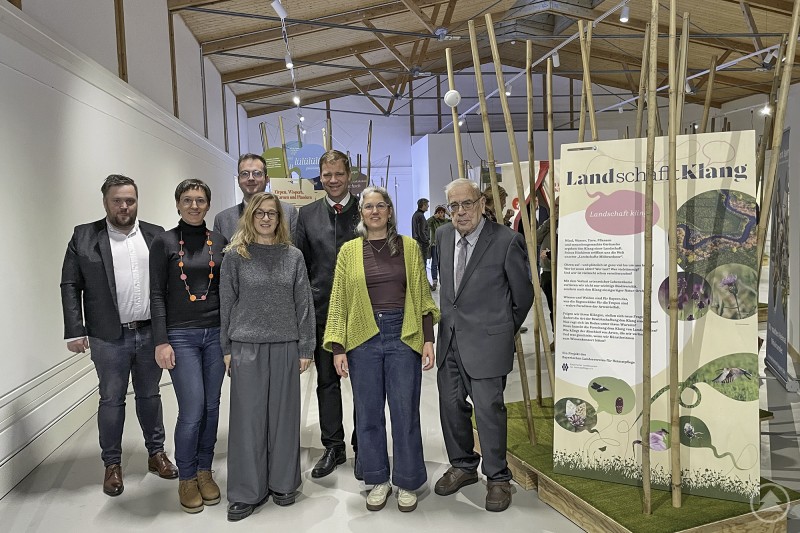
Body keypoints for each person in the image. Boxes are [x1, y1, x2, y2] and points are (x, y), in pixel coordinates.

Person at [60, 174, 178, 497]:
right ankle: (112, 465)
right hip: (107, 337)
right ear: (106, 202)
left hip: (149, 334)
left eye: (130, 200)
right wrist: (75, 329)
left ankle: (156, 454)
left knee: (151, 396)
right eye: (117, 200)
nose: (124, 206)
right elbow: (70, 284)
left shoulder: (156, 235)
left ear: (137, 201)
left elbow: (169, 286)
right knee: (111, 399)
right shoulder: (84, 237)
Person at [324, 187, 439, 513]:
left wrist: (427, 339)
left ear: (389, 211)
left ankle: (406, 481)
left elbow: (422, 297)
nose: (374, 212)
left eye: (380, 206)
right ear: (362, 213)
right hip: (363, 338)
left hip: (404, 335)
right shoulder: (349, 252)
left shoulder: (410, 247)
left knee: (405, 412)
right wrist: (338, 347)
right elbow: (340, 302)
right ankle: (377, 479)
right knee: (369, 413)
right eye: (368, 207)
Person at [433, 178, 533, 512]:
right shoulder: (443, 236)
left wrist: (502, 331)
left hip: (488, 344)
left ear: (481, 203)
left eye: (466, 204)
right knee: (450, 406)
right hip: (450, 340)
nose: (460, 212)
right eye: (453, 206)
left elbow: (523, 296)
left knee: (489, 412)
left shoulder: (506, 241)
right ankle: (463, 466)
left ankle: (498, 478)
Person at [220, 192, 315, 521]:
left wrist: (306, 347)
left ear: (280, 219)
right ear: (249, 216)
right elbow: (226, 306)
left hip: (286, 345)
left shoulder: (294, 257)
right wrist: (227, 349)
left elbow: (304, 304)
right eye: (259, 213)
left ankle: (283, 482)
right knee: (247, 422)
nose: (265, 218)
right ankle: (246, 491)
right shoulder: (235, 256)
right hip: (246, 346)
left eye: (272, 213)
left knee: (284, 419)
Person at [150, 179, 227, 514]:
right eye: (187, 200)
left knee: (212, 407)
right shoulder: (163, 241)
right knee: (193, 408)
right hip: (181, 336)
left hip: (215, 333)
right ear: (177, 204)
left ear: (208, 205)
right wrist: (161, 340)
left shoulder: (220, 242)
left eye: (200, 200)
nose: (194, 205)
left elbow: (228, 292)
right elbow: (155, 294)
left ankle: (205, 470)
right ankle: (186, 475)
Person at [294, 149, 361, 479]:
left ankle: (364, 445)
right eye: (327, 175)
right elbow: (300, 268)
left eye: (339, 174)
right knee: (326, 383)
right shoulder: (305, 216)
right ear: (320, 177)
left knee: (365, 384)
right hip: (321, 312)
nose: (333, 180)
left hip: (363, 314)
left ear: (349, 175)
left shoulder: (369, 209)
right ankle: (333, 447)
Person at [213, 153, 298, 242]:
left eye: (257, 173)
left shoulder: (289, 213)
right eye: (245, 174)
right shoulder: (222, 220)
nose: (250, 178)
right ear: (238, 180)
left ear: (267, 179)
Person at [536, 196, 558, 349]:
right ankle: (556, 337)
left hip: (561, 272)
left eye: (559, 206)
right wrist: (550, 222)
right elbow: (536, 238)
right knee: (552, 308)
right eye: (555, 205)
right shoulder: (549, 223)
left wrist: (550, 254)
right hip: (547, 272)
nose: (556, 209)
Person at [426, 205, 449, 291]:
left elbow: (455, 222)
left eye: (442, 212)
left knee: (444, 264)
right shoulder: (433, 221)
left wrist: (448, 213)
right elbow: (426, 223)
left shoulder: (447, 221)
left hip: (444, 245)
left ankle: (444, 282)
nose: (440, 214)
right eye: (438, 212)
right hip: (434, 245)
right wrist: (433, 217)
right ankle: (435, 282)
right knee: (434, 263)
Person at [411, 198, 430, 270]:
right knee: (422, 264)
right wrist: (426, 241)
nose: (428, 206)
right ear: (423, 205)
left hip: (418, 242)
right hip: (422, 243)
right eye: (427, 205)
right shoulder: (420, 216)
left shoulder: (416, 215)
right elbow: (421, 231)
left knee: (419, 264)